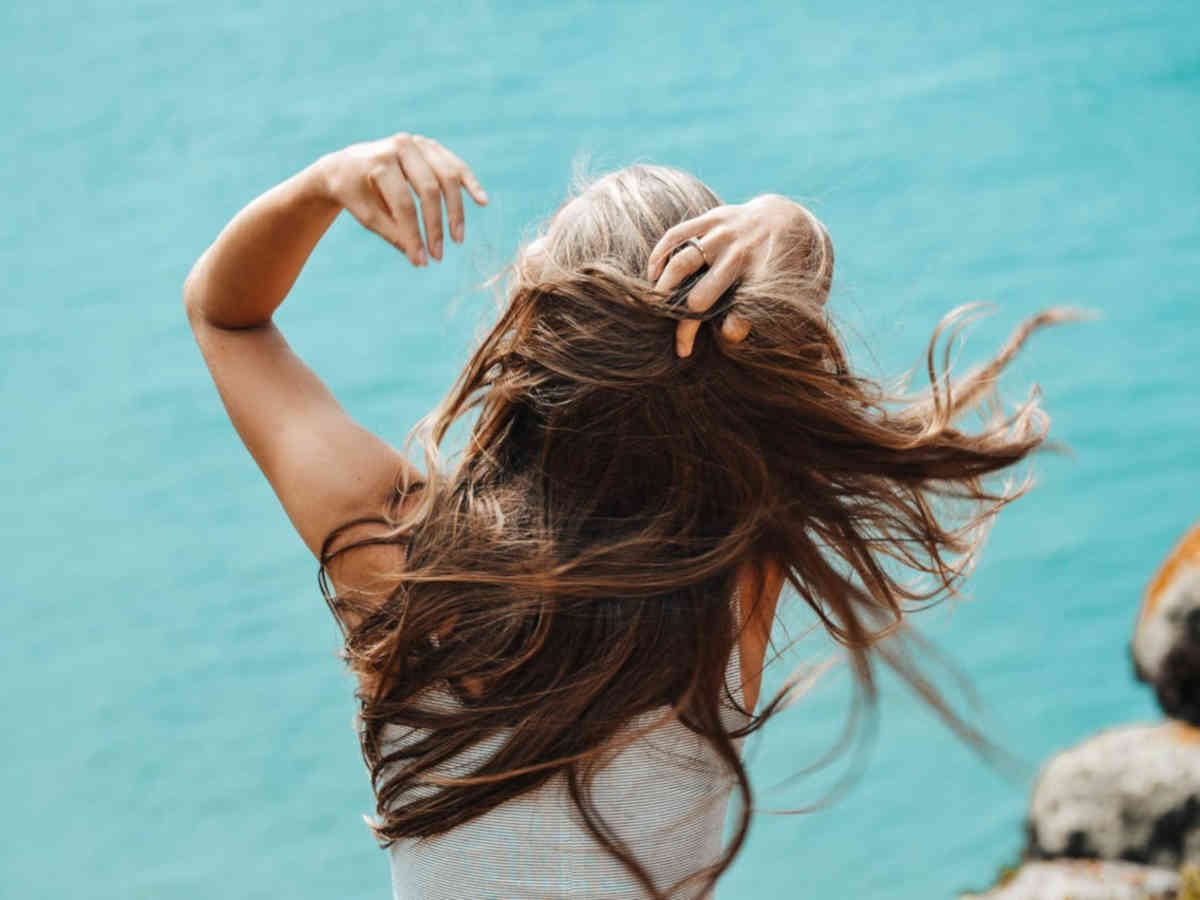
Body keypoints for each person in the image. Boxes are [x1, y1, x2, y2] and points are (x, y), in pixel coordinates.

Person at [184, 132, 1070, 899]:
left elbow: (226, 318)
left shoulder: (404, 565)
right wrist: (797, 232)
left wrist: (324, 182)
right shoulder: (732, 584)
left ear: (536, 340)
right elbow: (760, 367)